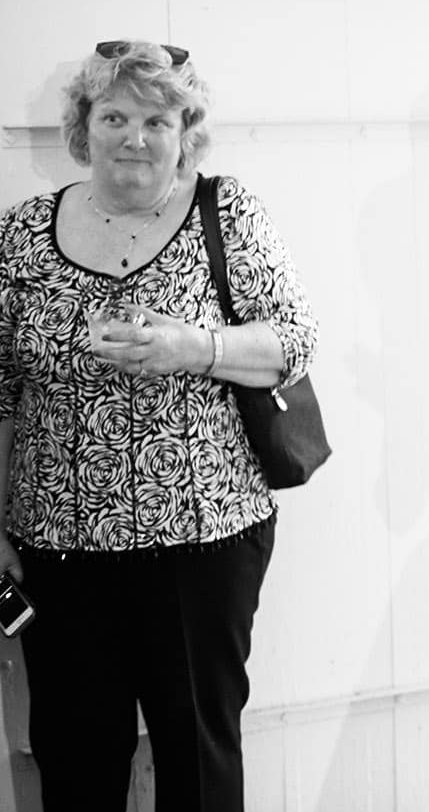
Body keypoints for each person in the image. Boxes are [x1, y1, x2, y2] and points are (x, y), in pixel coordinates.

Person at [0, 41, 319, 811]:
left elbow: (295, 340)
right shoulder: (20, 234)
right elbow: (2, 391)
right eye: (114, 115)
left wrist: (193, 346)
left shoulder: (225, 210)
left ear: (187, 132)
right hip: (59, 550)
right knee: (75, 760)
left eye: (156, 118)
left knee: (199, 760)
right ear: (84, 126)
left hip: (203, 542)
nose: (134, 136)